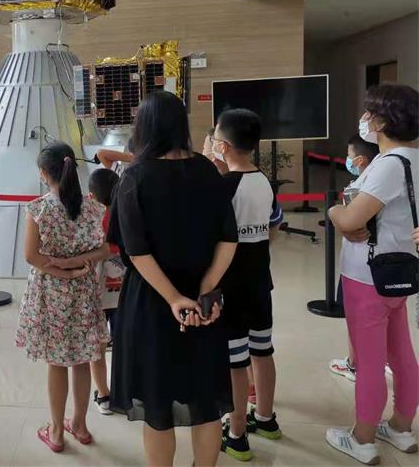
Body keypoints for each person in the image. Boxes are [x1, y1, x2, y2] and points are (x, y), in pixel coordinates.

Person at [108, 91, 237, 467]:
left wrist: (175, 299)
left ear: (143, 128)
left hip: (152, 302)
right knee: (205, 401)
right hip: (204, 302)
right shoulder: (207, 170)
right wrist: (204, 290)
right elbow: (229, 239)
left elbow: (136, 252)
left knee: (157, 405)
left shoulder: (134, 178)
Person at [325, 83, 418, 465]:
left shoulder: (388, 165)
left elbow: (350, 218)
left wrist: (334, 212)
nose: (364, 119)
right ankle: (401, 426)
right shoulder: (415, 160)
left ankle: (362, 438)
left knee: (369, 359)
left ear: (380, 121)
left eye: (368, 113)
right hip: (400, 271)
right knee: (401, 352)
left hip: (367, 276)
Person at [16, 142, 111, 453]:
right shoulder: (92, 207)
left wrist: (63, 269)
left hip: (50, 292)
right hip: (84, 292)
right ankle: (79, 425)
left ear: (44, 174)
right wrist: (76, 265)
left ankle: (56, 432)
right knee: (82, 359)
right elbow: (104, 250)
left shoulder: (39, 209)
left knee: (57, 362)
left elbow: (31, 256)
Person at [211, 109, 284, 462]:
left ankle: (237, 434)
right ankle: (266, 418)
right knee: (262, 350)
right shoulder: (264, 182)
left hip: (232, 286)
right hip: (259, 280)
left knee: (236, 362)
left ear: (223, 146)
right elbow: (274, 226)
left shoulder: (224, 187)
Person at [328, 134, 380, 383]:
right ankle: (381, 359)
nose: (347, 160)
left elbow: (349, 222)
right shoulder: (388, 175)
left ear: (360, 159)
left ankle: (355, 364)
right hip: (385, 265)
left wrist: (335, 212)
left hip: (359, 268)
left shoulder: (364, 186)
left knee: (357, 318)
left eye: (349, 156)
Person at [87, 168, 124, 416]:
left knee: (98, 348)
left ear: (91, 196)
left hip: (96, 294)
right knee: (122, 344)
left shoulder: (90, 220)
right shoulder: (126, 214)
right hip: (124, 294)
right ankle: (124, 392)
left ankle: (103, 395)